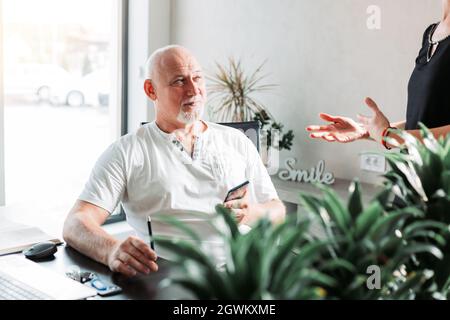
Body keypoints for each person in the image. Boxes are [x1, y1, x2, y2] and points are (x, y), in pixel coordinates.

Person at [63, 45, 285, 277]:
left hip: (237, 276)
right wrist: (111, 250)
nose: (194, 90)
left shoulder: (237, 141)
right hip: (165, 279)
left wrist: (252, 212)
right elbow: (76, 223)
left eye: (197, 78)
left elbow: (277, 210)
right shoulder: (127, 151)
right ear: (151, 90)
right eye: (179, 81)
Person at [306, 0, 450, 148]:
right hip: (416, 168)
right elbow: (424, 119)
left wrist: (390, 136)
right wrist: (368, 130)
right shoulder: (431, 33)